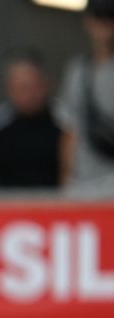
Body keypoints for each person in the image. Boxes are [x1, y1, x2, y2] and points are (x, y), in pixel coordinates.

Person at [0, 50, 61, 190]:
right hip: (6, 207)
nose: (26, 95)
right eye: (19, 87)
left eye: (31, 86)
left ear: (45, 85)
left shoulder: (63, 122)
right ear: (9, 88)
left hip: (54, 206)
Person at [58, 0, 114, 195]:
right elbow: (70, 130)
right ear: (88, 21)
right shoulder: (78, 71)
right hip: (82, 182)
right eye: (100, 18)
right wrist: (65, 180)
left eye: (110, 18)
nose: (105, 26)